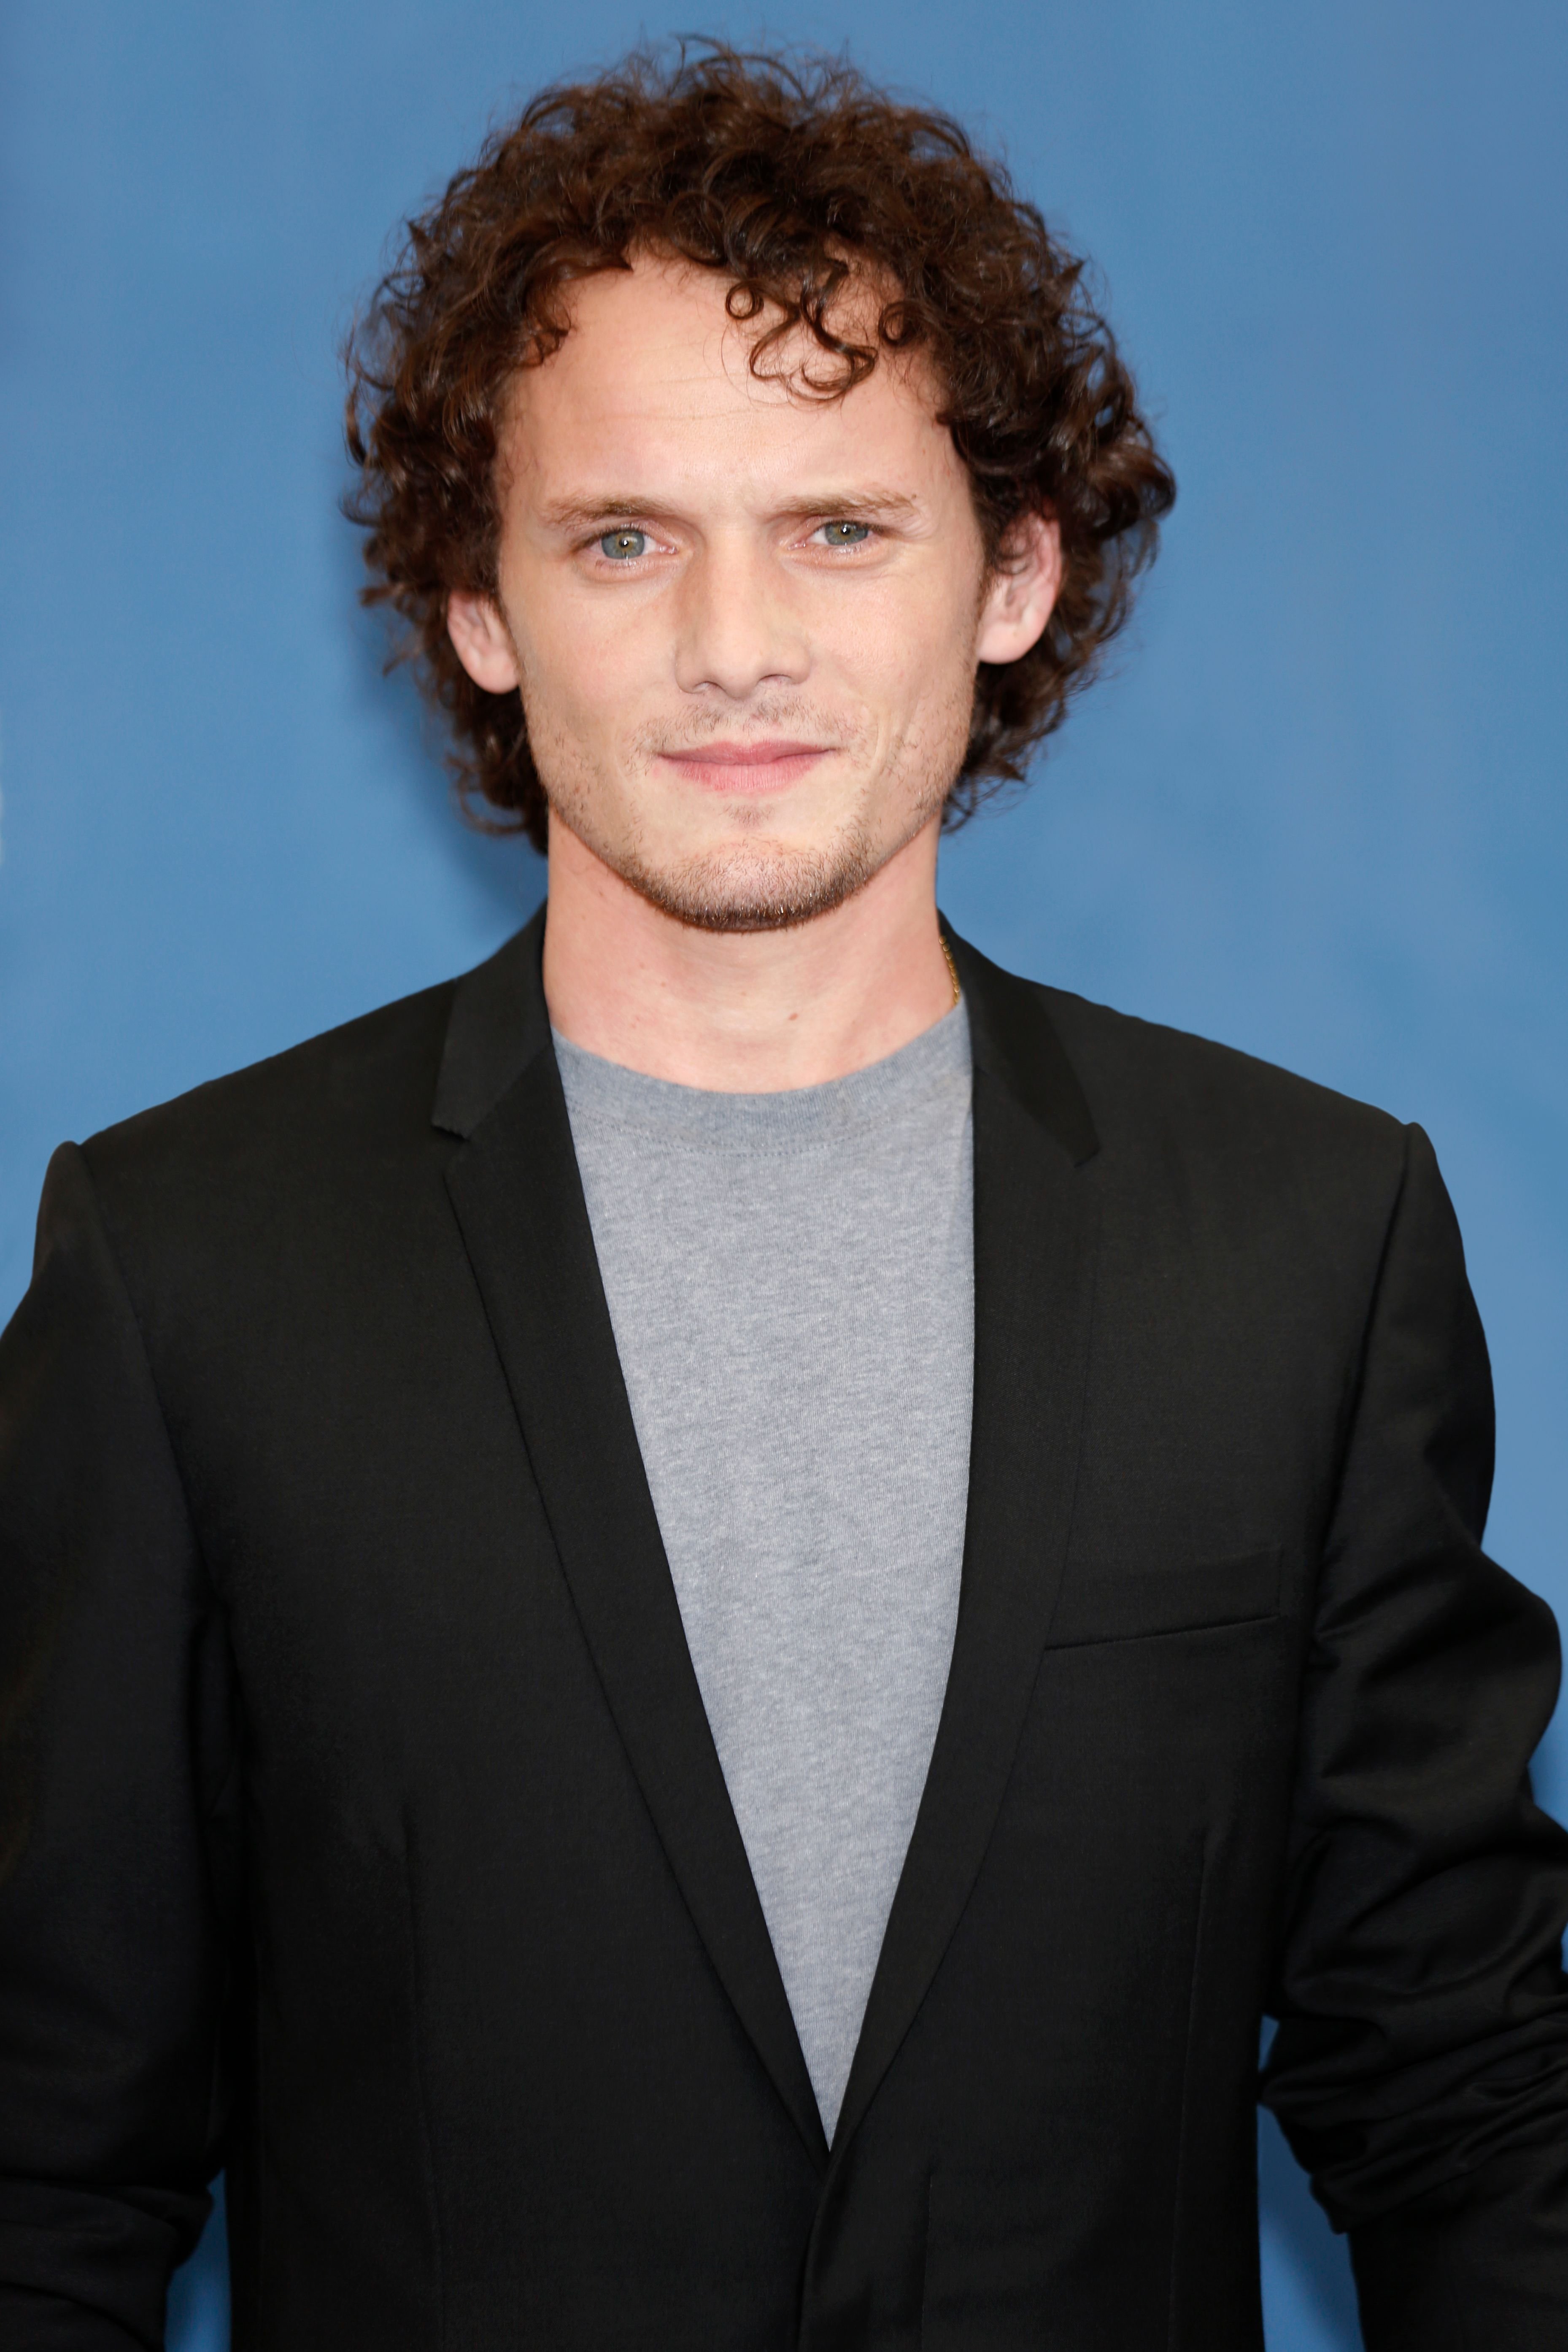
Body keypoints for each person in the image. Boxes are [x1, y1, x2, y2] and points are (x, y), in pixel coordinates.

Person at [1, 43, 1565, 2352]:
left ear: (1010, 574)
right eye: (623, 537)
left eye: (838, 526)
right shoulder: (182, 1269)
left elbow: (1461, 2096)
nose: (735, 642)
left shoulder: (1306, 1245)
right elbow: (45, 2167)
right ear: (478, 603)